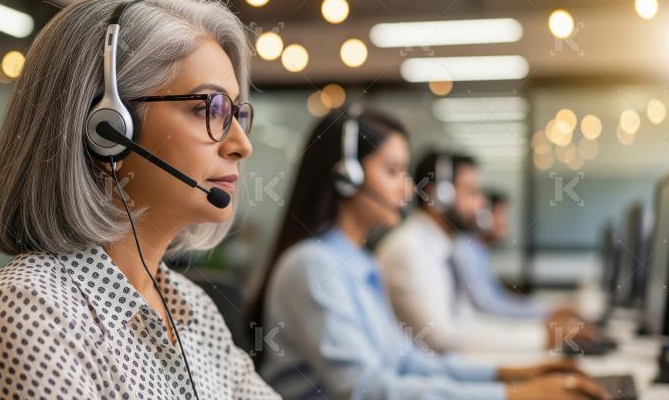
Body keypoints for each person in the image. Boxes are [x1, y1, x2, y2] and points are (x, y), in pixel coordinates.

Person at [0, 0, 278, 399]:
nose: (241, 144)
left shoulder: (191, 307)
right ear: (108, 129)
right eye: (209, 108)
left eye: (237, 114)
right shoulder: (29, 311)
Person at [249, 110, 608, 400]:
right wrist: (513, 394)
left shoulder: (360, 263)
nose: (407, 189)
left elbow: (409, 363)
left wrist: (514, 374)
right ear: (347, 177)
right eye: (392, 172)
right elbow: (365, 389)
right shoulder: (313, 265)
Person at [376, 152, 600, 354]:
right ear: (437, 194)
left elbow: (467, 321)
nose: (482, 203)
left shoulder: (444, 249)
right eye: (472, 192)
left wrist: (543, 331)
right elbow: (441, 337)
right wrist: (542, 335)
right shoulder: (410, 249)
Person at [453, 191, 553, 319]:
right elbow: (489, 305)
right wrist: (547, 311)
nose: (506, 224)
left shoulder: (479, 251)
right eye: (502, 215)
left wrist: (545, 308)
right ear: (484, 218)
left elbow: (499, 299)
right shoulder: (466, 250)